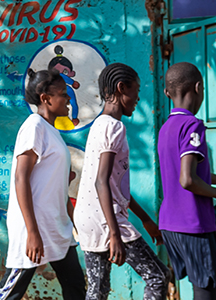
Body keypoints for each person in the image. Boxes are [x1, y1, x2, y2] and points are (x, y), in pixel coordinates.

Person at [74, 63, 169, 300]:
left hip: (89, 217)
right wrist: (115, 235)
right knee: (158, 277)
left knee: (97, 291)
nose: (138, 97)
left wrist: (145, 219)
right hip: (106, 220)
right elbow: (101, 182)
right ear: (121, 87)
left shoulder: (100, 124)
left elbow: (115, 186)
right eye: (135, 90)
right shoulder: (114, 127)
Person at [0, 69, 85, 300]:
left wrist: (75, 221)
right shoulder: (34, 126)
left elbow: (58, 189)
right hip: (34, 226)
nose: (68, 99)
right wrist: (32, 232)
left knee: (76, 287)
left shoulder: (51, 131)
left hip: (57, 226)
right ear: (45, 98)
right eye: (63, 94)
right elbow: (21, 178)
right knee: (11, 291)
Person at [157, 62, 216, 300]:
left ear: (167, 93)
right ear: (198, 88)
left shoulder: (166, 128)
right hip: (192, 222)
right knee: (205, 287)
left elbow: (189, 173)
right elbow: (187, 180)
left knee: (213, 288)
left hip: (170, 222)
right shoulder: (192, 125)